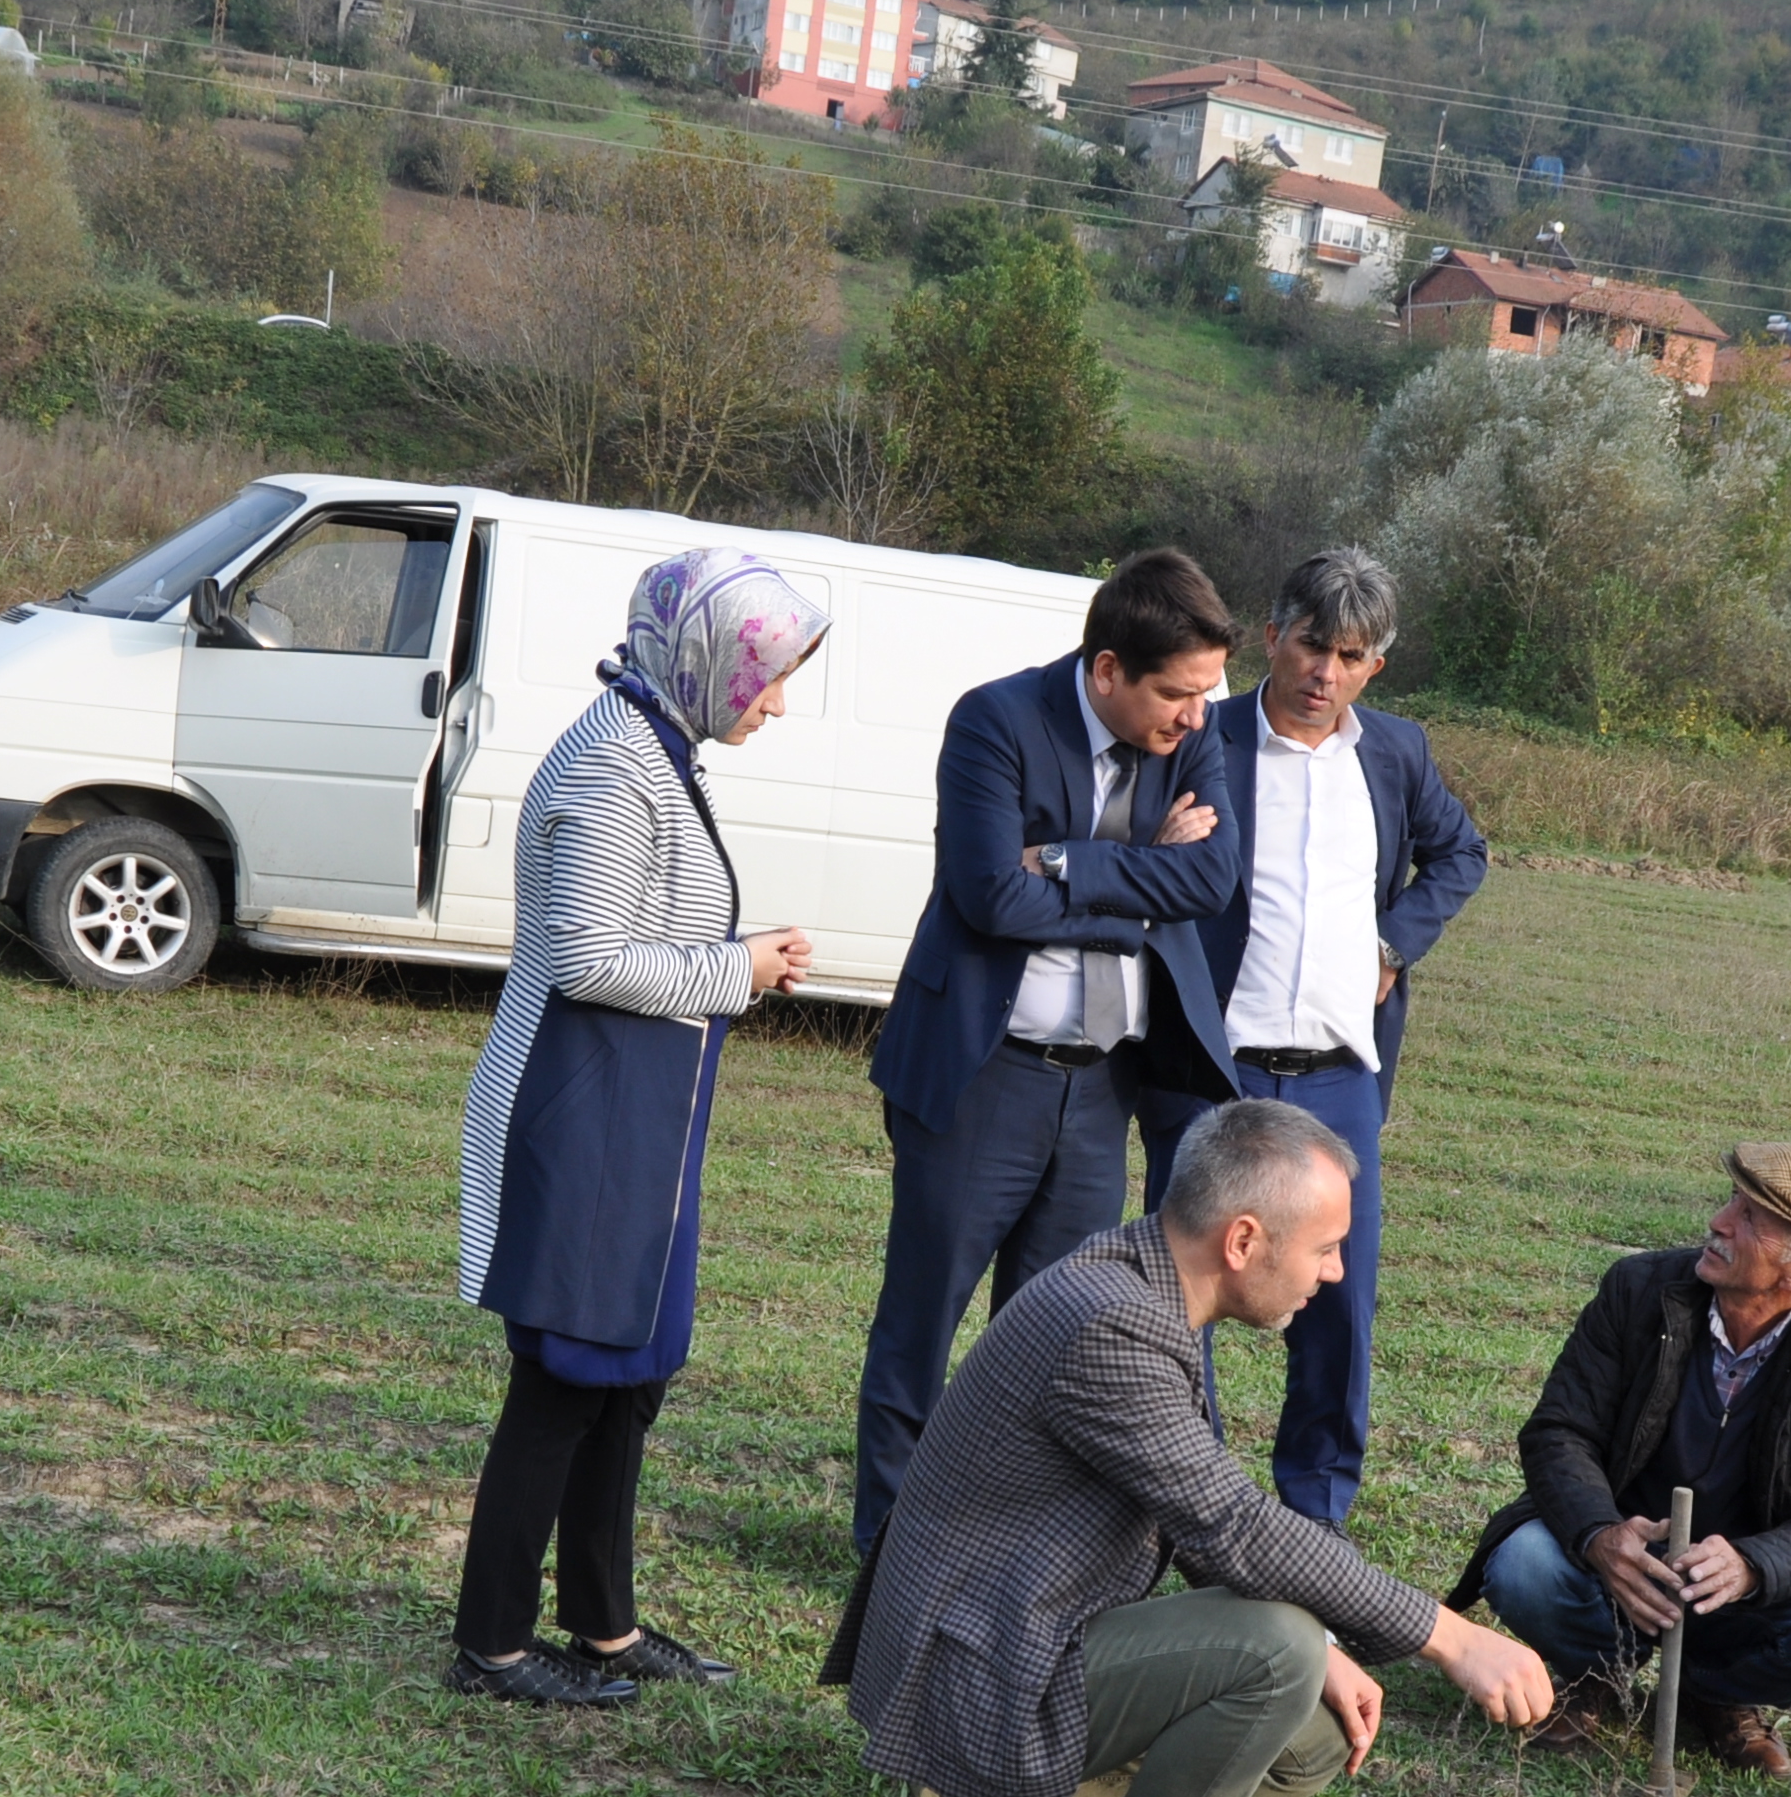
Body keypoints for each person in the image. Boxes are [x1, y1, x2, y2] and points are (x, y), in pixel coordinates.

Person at [853, 1099, 1555, 1797]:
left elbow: (1195, 1514)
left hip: (1000, 1635)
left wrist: (1338, 1655)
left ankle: (988, 1790)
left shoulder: (1137, 1279)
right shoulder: (1114, 1325)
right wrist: (1453, 1637)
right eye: (1325, 1247)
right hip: (971, 1673)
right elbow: (1234, 1526)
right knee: (1279, 1652)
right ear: (1244, 1240)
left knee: (1308, 1735)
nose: (1336, 1273)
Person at [446, 550, 825, 1706]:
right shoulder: (614, 765)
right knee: (565, 1379)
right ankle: (494, 1644)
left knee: (626, 1381)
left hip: (636, 1126)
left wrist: (732, 963)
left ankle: (603, 1623)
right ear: (710, 659)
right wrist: (738, 967)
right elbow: (588, 959)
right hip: (584, 1121)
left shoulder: (658, 743)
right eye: (766, 677)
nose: (775, 700)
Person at [843, 550, 1246, 1566]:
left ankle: (1015, 1541)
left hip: (1102, 1084)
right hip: (983, 1071)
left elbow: (1210, 879)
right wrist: (1140, 879)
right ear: (1107, 668)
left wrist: (1069, 863)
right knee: (923, 1317)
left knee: (1061, 1333)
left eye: (1206, 693)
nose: (1196, 718)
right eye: (1175, 693)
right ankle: (892, 1551)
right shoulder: (995, 721)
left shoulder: (1190, 733)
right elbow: (985, 897)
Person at [1139, 547, 1489, 1529]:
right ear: (1270, 636)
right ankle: (1186, 1514)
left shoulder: (1396, 754)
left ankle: (1311, 1529)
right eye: (1307, 646)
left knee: (1336, 1310)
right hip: (1211, 1072)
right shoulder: (1201, 741)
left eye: (1348, 655)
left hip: (1339, 1083)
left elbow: (1464, 851)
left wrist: (1397, 939)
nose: (1320, 674)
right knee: (1183, 1296)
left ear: (1377, 664)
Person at [1449, 1146, 1791, 1778]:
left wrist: (1752, 1565)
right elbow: (1559, 1431)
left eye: (1748, 1219)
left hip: (1739, 1598)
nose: (1718, 1221)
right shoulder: (1638, 1289)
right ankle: (1599, 1674)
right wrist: (1600, 1536)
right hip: (1615, 1570)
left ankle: (1712, 1693)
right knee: (1524, 1565)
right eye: (1732, 1202)